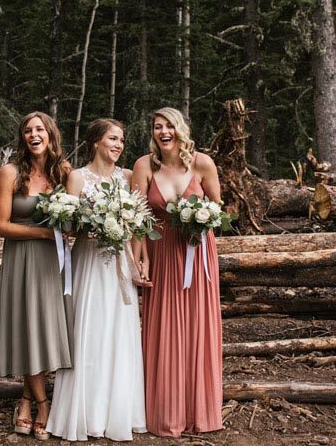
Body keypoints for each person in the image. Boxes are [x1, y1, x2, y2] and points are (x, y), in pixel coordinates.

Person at [46, 118, 148, 441]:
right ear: (96, 142)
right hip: (89, 261)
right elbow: (69, 227)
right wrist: (96, 225)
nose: (118, 145)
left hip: (118, 264)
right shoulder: (77, 177)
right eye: (112, 139)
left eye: (121, 140)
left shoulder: (129, 177)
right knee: (88, 332)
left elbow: (138, 225)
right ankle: (86, 413)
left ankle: (117, 412)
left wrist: (140, 256)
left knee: (119, 333)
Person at [131, 107, 223, 438]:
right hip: (162, 251)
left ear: (180, 129)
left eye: (169, 125)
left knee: (198, 326)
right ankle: (166, 414)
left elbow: (218, 206)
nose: (163, 131)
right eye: (158, 126)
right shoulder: (144, 166)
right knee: (164, 327)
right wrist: (140, 258)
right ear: (153, 132)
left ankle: (201, 413)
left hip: (197, 254)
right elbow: (137, 218)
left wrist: (200, 217)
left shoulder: (202, 163)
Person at [0, 111, 72, 440]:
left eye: (39, 129)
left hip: (54, 262)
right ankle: (43, 404)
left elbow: (74, 215)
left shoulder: (64, 173)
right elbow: (0, 225)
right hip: (22, 257)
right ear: (22, 138)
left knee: (43, 330)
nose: (33, 134)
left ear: (51, 134)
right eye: (28, 130)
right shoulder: (10, 172)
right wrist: (42, 234)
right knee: (27, 328)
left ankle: (25, 399)